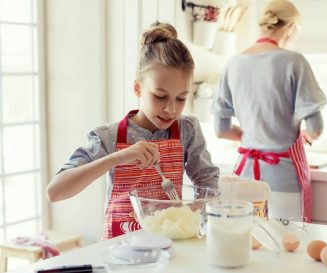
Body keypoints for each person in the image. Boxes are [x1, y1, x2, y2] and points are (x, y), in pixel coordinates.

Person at [47, 21, 219, 239]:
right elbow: (55, 191)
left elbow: (208, 183)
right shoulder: (107, 137)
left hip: (170, 248)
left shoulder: (187, 129)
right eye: (160, 96)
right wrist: (118, 157)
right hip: (119, 252)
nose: (171, 109)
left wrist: (189, 215)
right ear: (138, 87)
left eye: (181, 98)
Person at [211, 0, 327, 222]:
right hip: (284, 178)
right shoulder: (294, 61)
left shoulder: (233, 63)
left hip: (244, 179)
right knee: (288, 246)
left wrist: (255, 134)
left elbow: (221, 129)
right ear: (292, 27)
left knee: (248, 245)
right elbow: (316, 128)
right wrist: (302, 135)